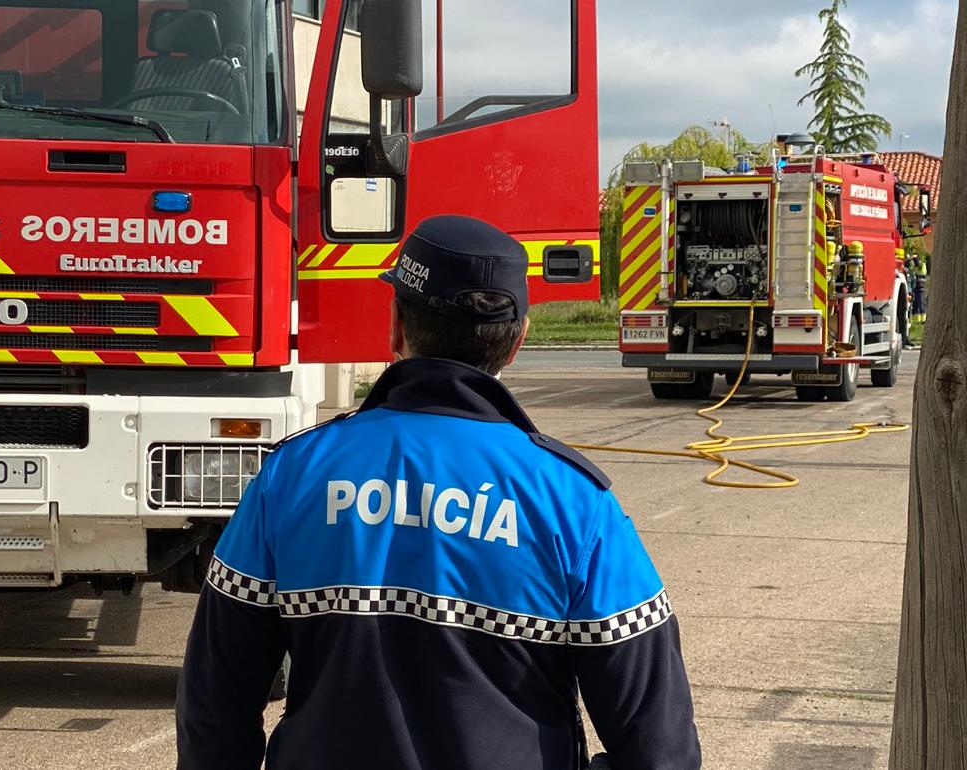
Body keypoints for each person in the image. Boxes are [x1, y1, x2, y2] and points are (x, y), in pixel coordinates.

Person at [176, 215, 701, 770]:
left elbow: (216, 700)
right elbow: (659, 744)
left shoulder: (292, 475)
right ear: (516, 342)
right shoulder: (576, 504)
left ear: (395, 325)